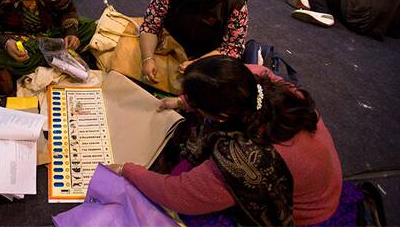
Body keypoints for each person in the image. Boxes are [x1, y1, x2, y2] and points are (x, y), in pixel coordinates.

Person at [108, 56, 343, 226]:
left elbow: (176, 195)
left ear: (222, 117)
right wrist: (181, 102)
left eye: (199, 107)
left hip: (307, 214)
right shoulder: (256, 78)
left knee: (192, 217)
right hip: (322, 184)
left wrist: (127, 170)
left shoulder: (243, 160)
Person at [140, 0, 247, 83]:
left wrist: (198, 63)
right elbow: (150, 25)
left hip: (208, 59)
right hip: (167, 45)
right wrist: (147, 59)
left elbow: (233, 48)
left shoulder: (234, 4)